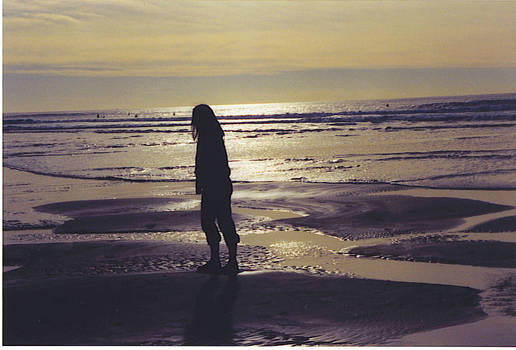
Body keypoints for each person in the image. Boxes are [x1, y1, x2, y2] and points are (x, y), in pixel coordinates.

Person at [192, 104, 240, 274]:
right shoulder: (213, 135)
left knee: (212, 222)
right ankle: (224, 260)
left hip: (215, 185)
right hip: (220, 185)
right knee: (221, 221)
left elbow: (208, 164)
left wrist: (203, 183)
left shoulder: (209, 137)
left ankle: (223, 260)